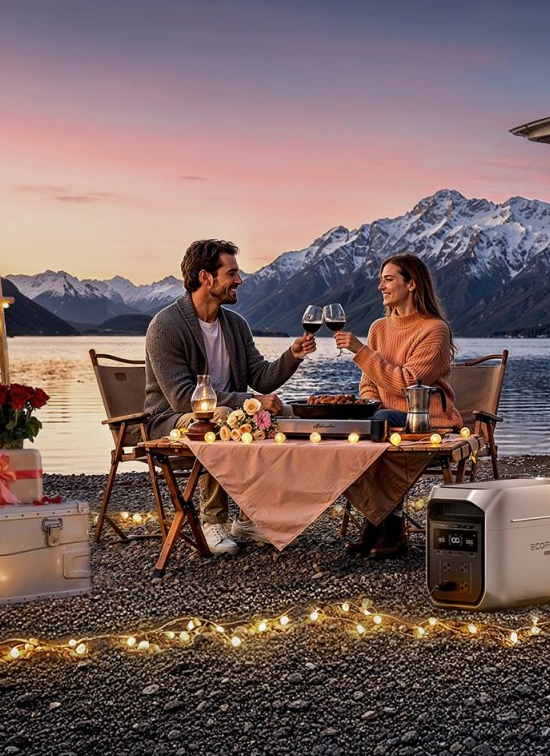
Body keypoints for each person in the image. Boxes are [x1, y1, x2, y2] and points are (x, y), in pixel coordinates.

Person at [144, 239, 317, 555]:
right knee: (218, 420)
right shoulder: (166, 325)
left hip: (227, 413)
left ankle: (251, 517)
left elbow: (262, 378)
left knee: (289, 416)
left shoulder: (236, 325)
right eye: (232, 273)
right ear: (205, 278)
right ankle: (213, 521)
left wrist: (292, 356)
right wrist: (247, 403)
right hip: (169, 419)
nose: (240, 280)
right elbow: (183, 398)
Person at [333, 253, 461, 557]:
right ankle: (381, 523)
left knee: (378, 424)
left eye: (388, 279)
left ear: (412, 284)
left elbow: (409, 383)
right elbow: (368, 383)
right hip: (387, 420)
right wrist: (370, 405)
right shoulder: (379, 327)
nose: (380, 286)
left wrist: (359, 350)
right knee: (353, 429)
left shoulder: (434, 330)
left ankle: (384, 525)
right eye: (381, 279)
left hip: (425, 420)